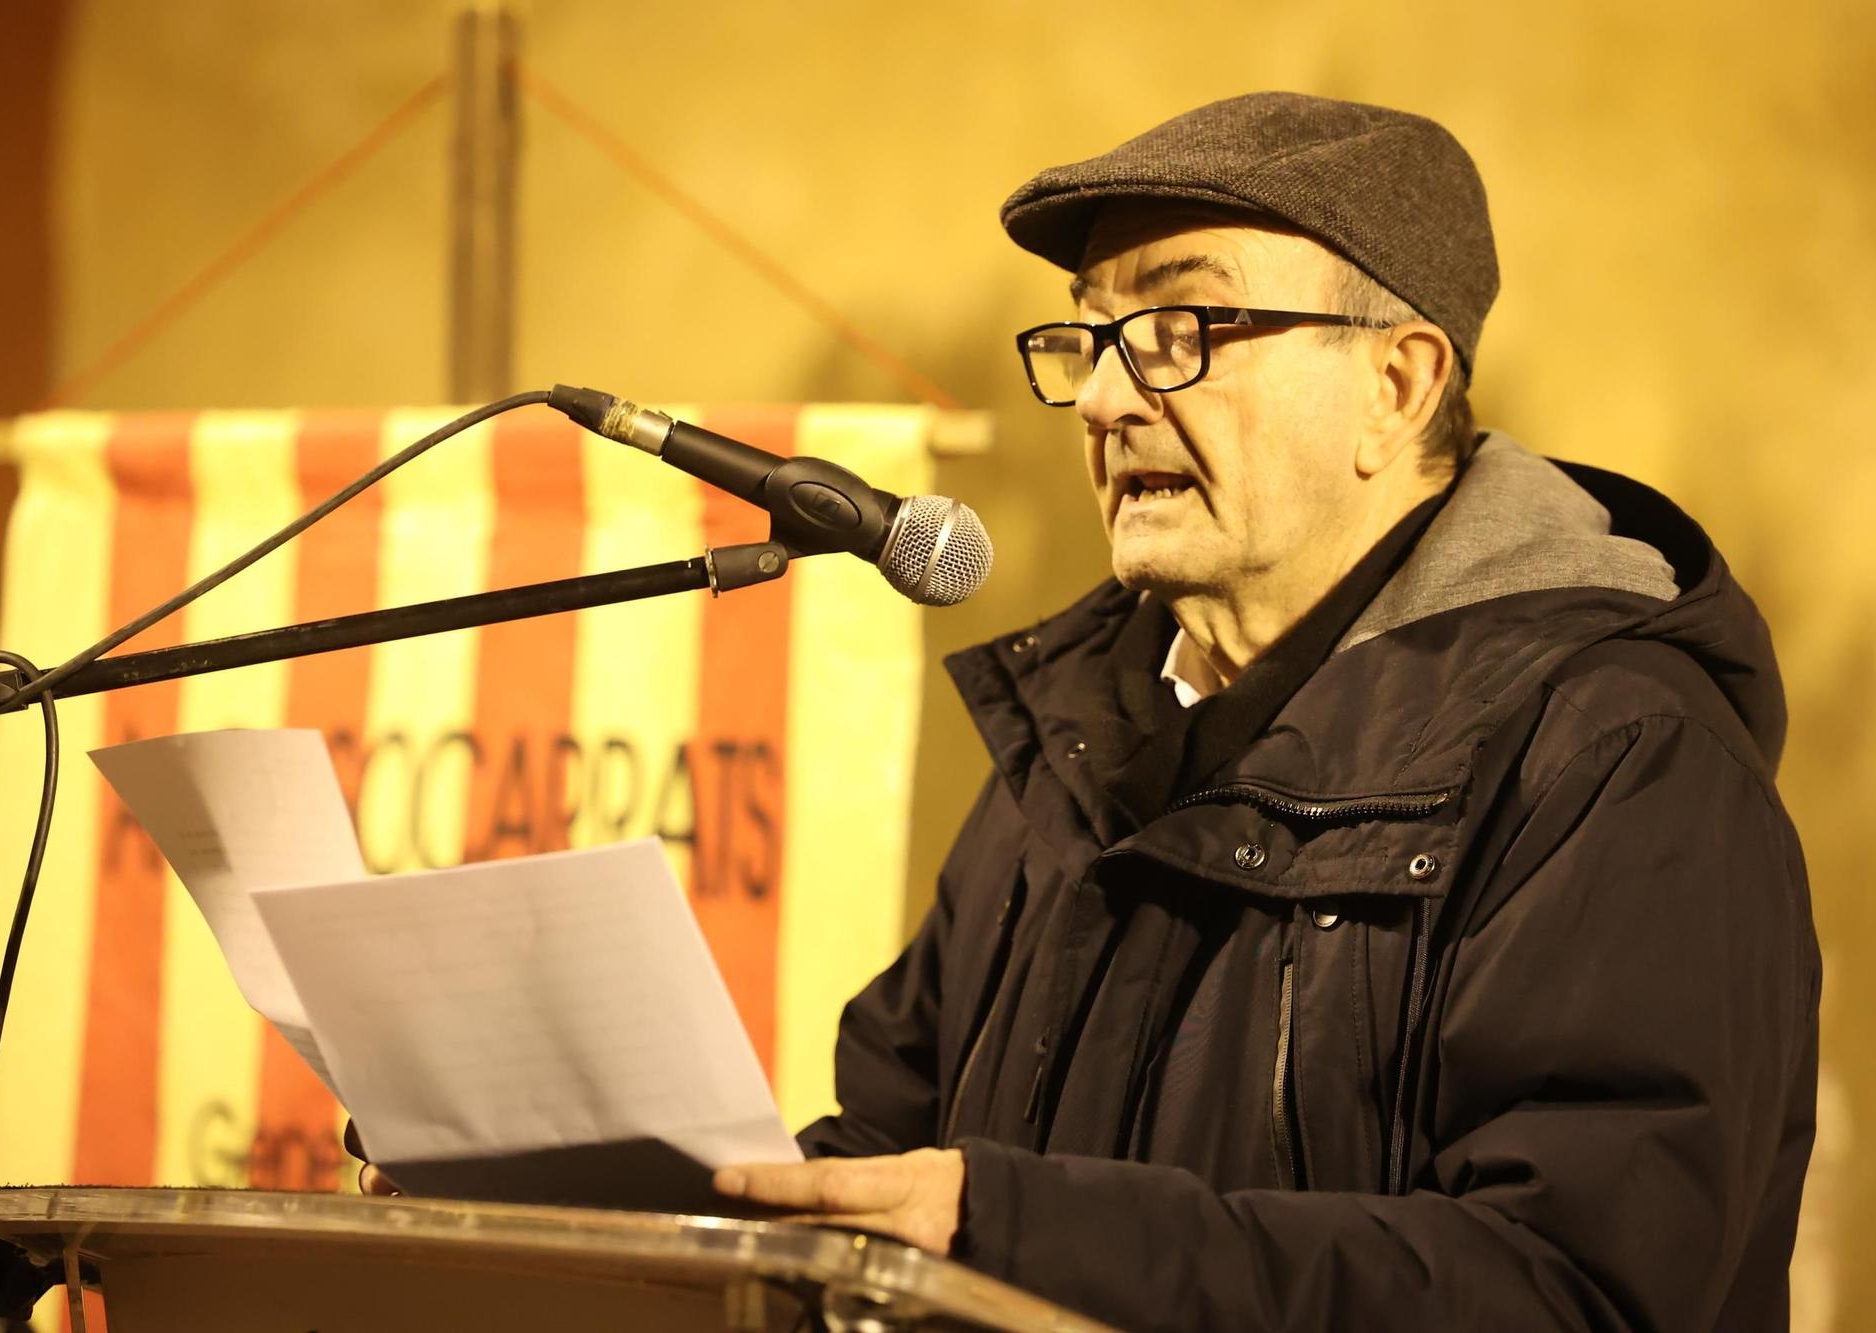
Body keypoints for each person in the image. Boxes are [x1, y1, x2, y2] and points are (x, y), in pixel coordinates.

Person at [708, 92, 1820, 1331]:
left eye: (1179, 327)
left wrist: (1015, 1233)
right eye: (1091, 339)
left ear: (1396, 384)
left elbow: (1567, 1291)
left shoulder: (1614, 759)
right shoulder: (1074, 736)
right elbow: (891, 1142)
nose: (1101, 402)